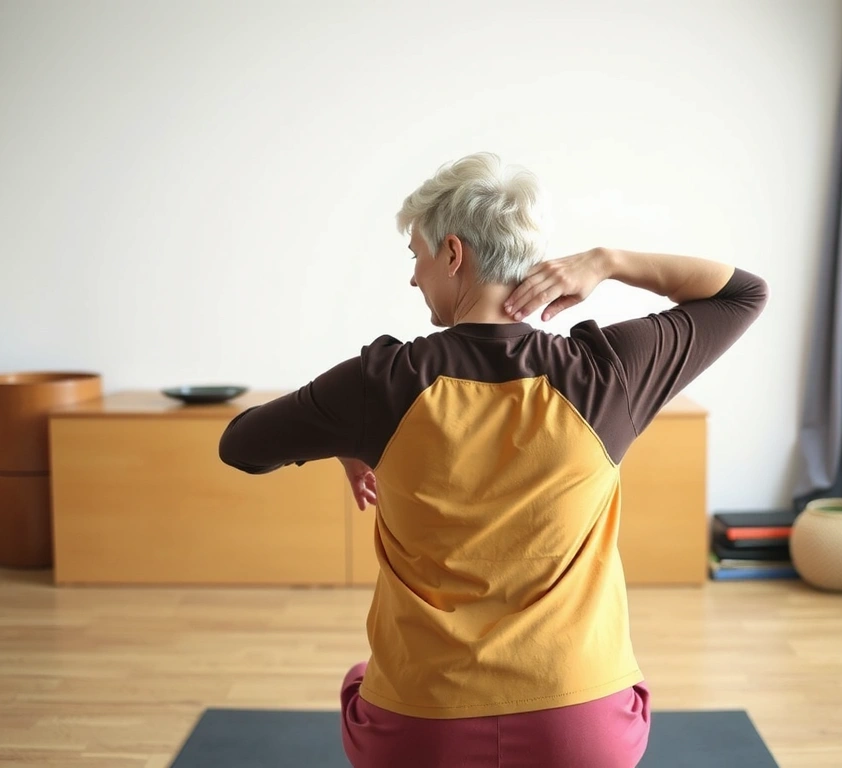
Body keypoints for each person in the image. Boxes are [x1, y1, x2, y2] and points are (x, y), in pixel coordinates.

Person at [219, 152, 768, 767]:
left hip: (422, 733)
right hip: (582, 734)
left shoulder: (381, 385)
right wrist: (609, 262)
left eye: (416, 257)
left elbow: (240, 446)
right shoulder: (605, 373)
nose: (413, 278)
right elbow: (743, 294)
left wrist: (350, 438)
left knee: (359, 678)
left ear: (453, 254)